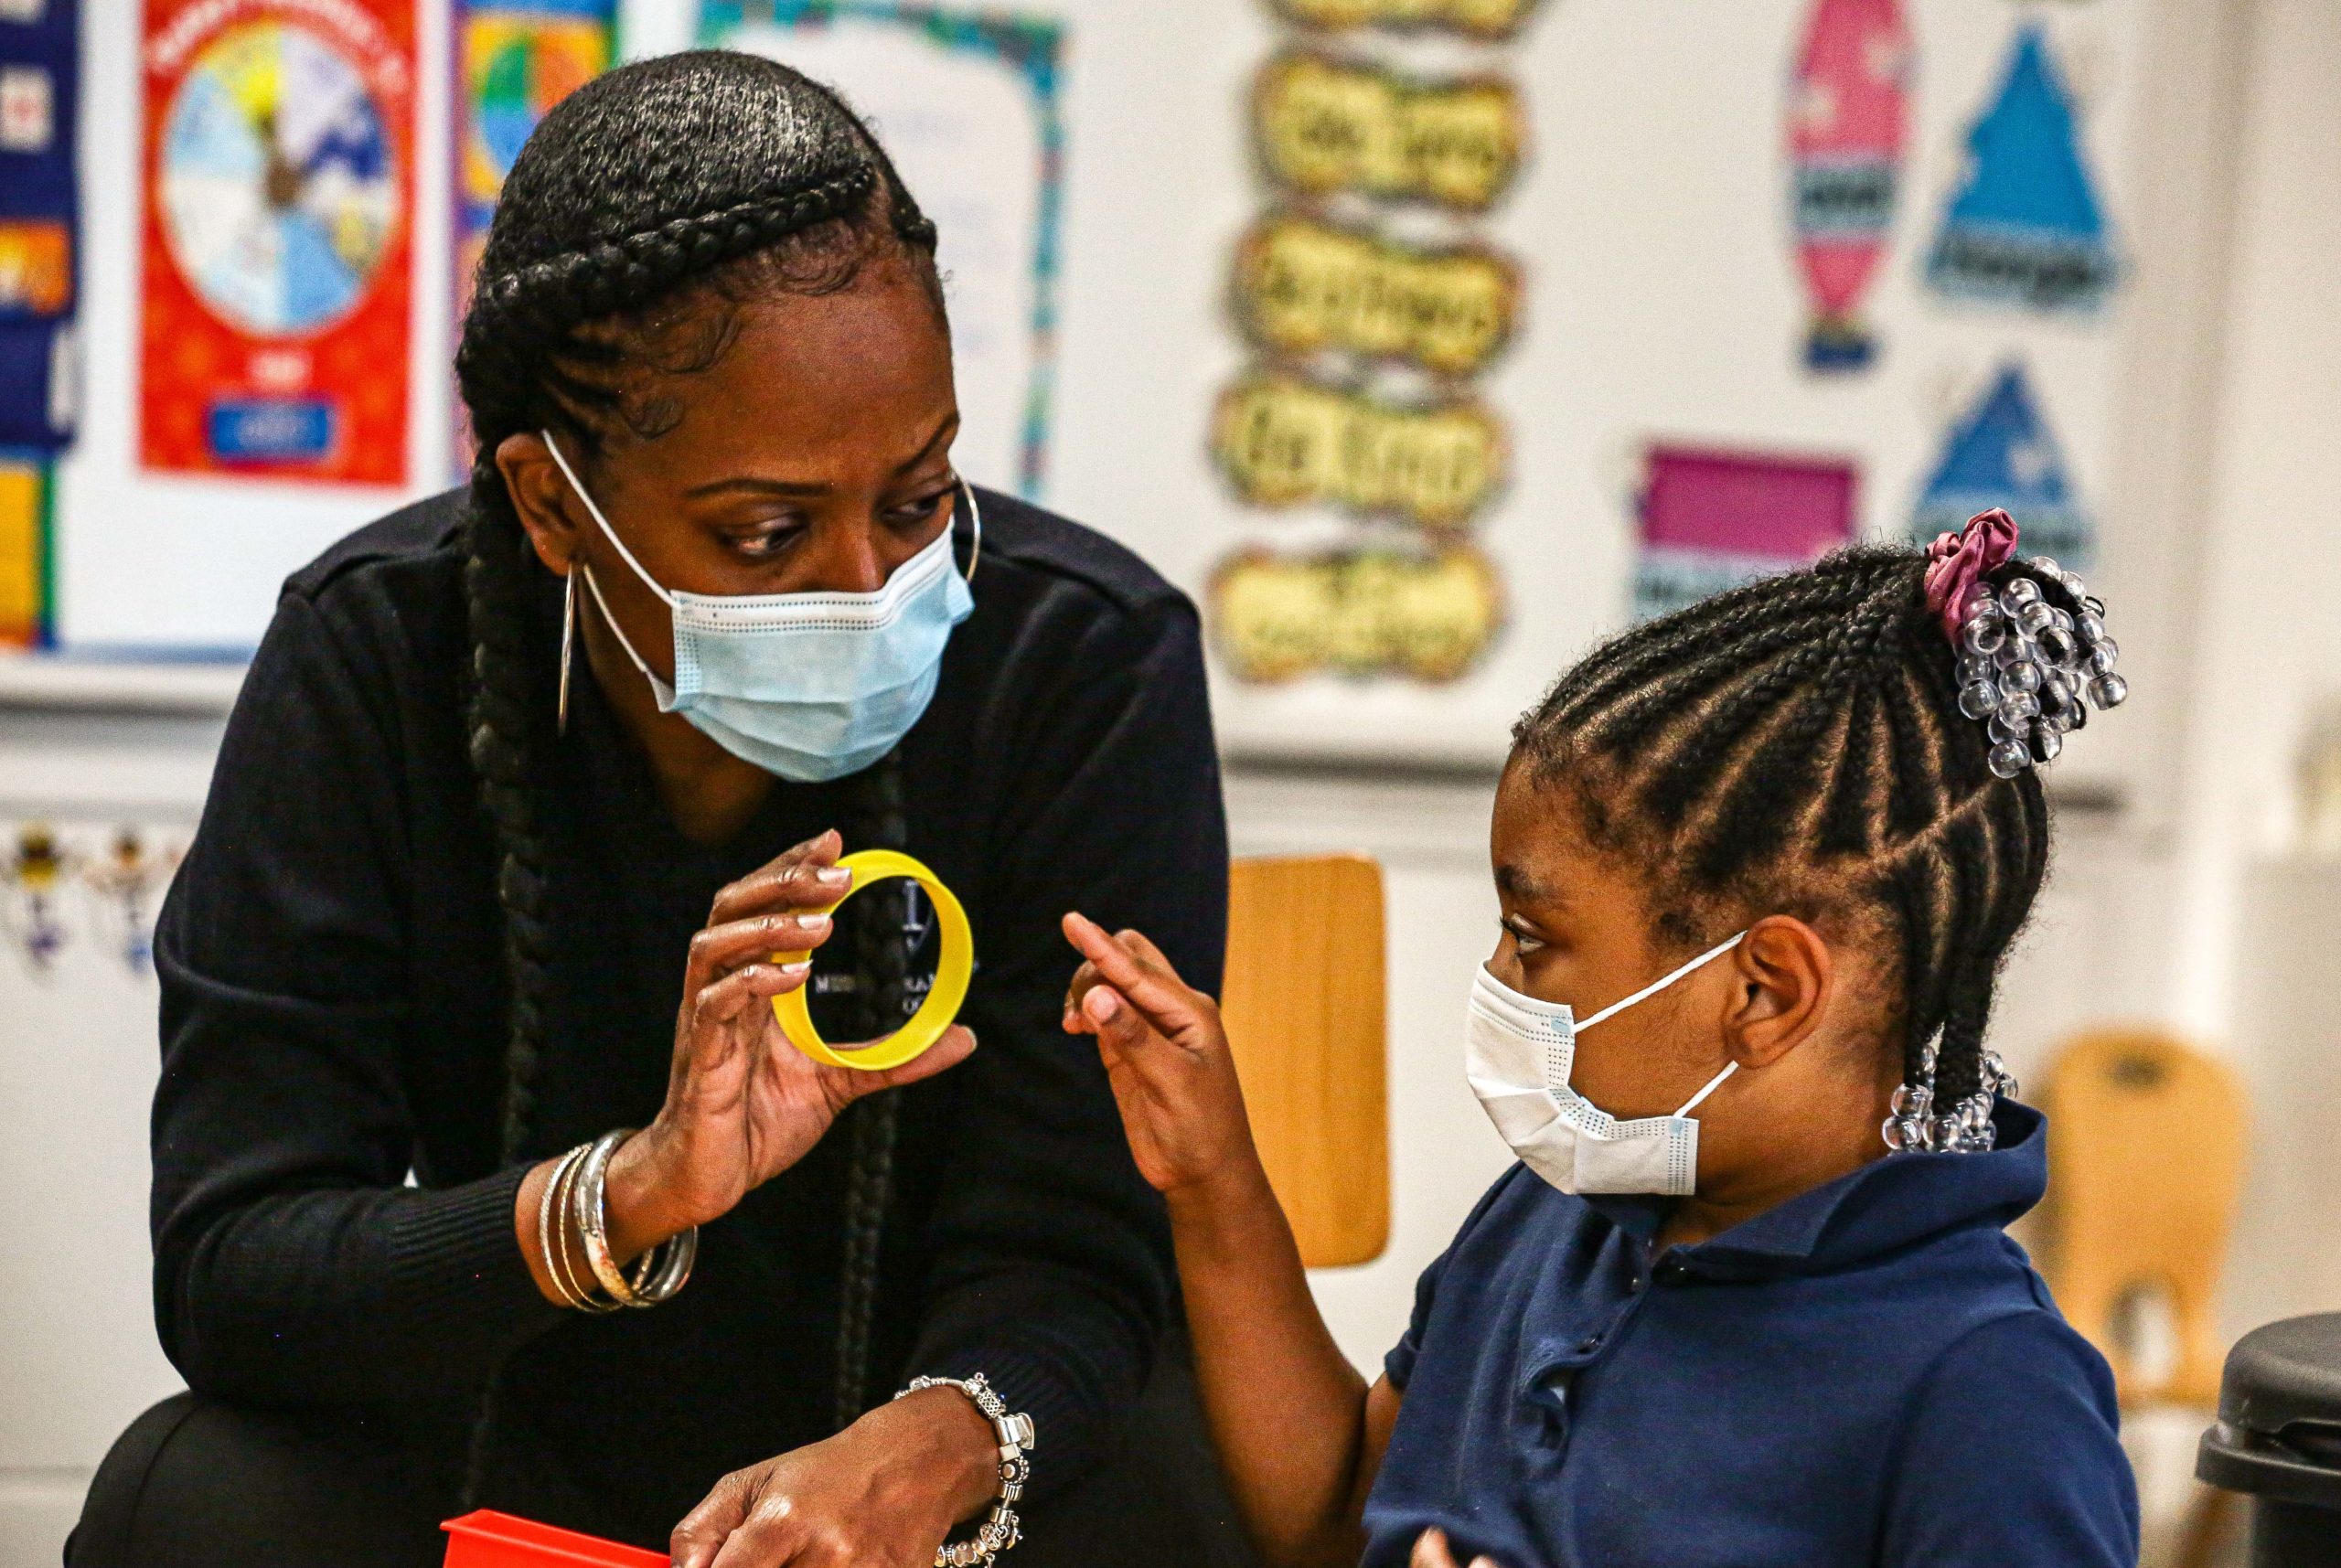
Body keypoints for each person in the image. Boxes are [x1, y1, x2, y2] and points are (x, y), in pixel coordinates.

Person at [70, 50, 1243, 1568]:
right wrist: (628, 1194)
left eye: (918, 496)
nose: (867, 586)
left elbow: (1079, 1254)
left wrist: (927, 1451)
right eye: (765, 532)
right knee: (198, 1501)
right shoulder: (376, 652)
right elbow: (239, 1270)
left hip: (934, 1457)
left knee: (1163, 1495)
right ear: (553, 506)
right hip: (504, 1429)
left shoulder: (1083, 660)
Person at [1060, 517, 2143, 1567]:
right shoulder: (1558, 1208)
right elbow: (1337, 1517)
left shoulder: (1986, 1387)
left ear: (1765, 992)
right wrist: (1213, 1175)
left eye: (1533, 939)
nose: (1496, 978)